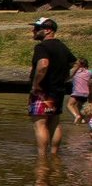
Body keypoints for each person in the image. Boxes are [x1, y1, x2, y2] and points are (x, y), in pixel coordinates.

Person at [28, 17, 74, 156]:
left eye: (37, 28)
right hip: (58, 91)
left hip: (43, 92)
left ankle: (42, 158)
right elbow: (76, 64)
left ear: (48, 30)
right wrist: (65, 78)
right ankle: (54, 155)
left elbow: (43, 65)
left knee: (40, 124)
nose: (33, 31)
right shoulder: (62, 46)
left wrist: (36, 85)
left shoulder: (42, 47)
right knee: (54, 123)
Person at [70, 56, 89, 125]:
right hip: (86, 93)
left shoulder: (75, 71)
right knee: (80, 106)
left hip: (77, 92)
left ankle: (76, 116)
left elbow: (69, 77)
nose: (74, 64)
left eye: (76, 63)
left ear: (80, 64)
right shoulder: (89, 72)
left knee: (70, 105)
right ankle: (82, 119)